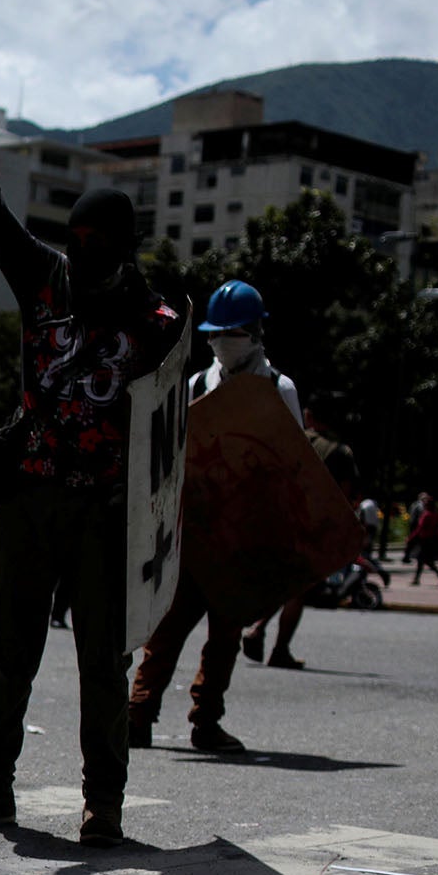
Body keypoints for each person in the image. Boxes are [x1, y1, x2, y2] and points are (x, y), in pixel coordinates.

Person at [0, 52, 186, 848]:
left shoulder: (156, 322)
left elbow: (170, 429)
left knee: (102, 664)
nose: (80, 250)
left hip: (105, 510)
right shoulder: (43, 278)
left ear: (124, 244)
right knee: (8, 652)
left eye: (96, 240)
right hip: (30, 499)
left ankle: (102, 805)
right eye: (74, 236)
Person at [129, 279, 299, 751]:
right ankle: (138, 716)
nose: (221, 342)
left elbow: (294, 463)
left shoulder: (278, 388)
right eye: (214, 334)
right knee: (165, 633)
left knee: (225, 637)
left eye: (232, 333)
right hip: (192, 532)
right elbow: (167, 458)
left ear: (255, 332)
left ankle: (206, 722)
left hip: (242, 536)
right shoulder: (195, 386)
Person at [241, 404, 357, 669]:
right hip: (312, 528)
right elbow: (347, 496)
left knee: (287, 583)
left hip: (278, 521)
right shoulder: (340, 452)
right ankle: (277, 647)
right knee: (298, 589)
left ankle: (258, 629)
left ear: (309, 416)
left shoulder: (291, 440)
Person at [410, 499, 438, 586]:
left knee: (425, 560)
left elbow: (420, 528)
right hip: (431, 539)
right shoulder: (435, 515)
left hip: (424, 539)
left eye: (426, 503)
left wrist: (411, 537)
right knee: (421, 560)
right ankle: (416, 579)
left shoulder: (426, 514)